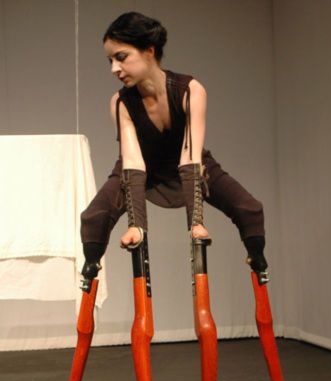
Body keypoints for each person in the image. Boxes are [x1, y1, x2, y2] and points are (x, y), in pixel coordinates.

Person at [80, 11, 268, 285]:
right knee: (93, 217)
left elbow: (191, 159)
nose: (114, 69)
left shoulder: (190, 91)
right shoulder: (121, 102)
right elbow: (133, 163)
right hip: (144, 169)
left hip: (193, 166)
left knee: (250, 209)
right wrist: (137, 227)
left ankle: (259, 265)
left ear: (149, 50)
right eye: (110, 61)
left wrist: (196, 222)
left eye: (121, 57)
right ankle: (89, 274)